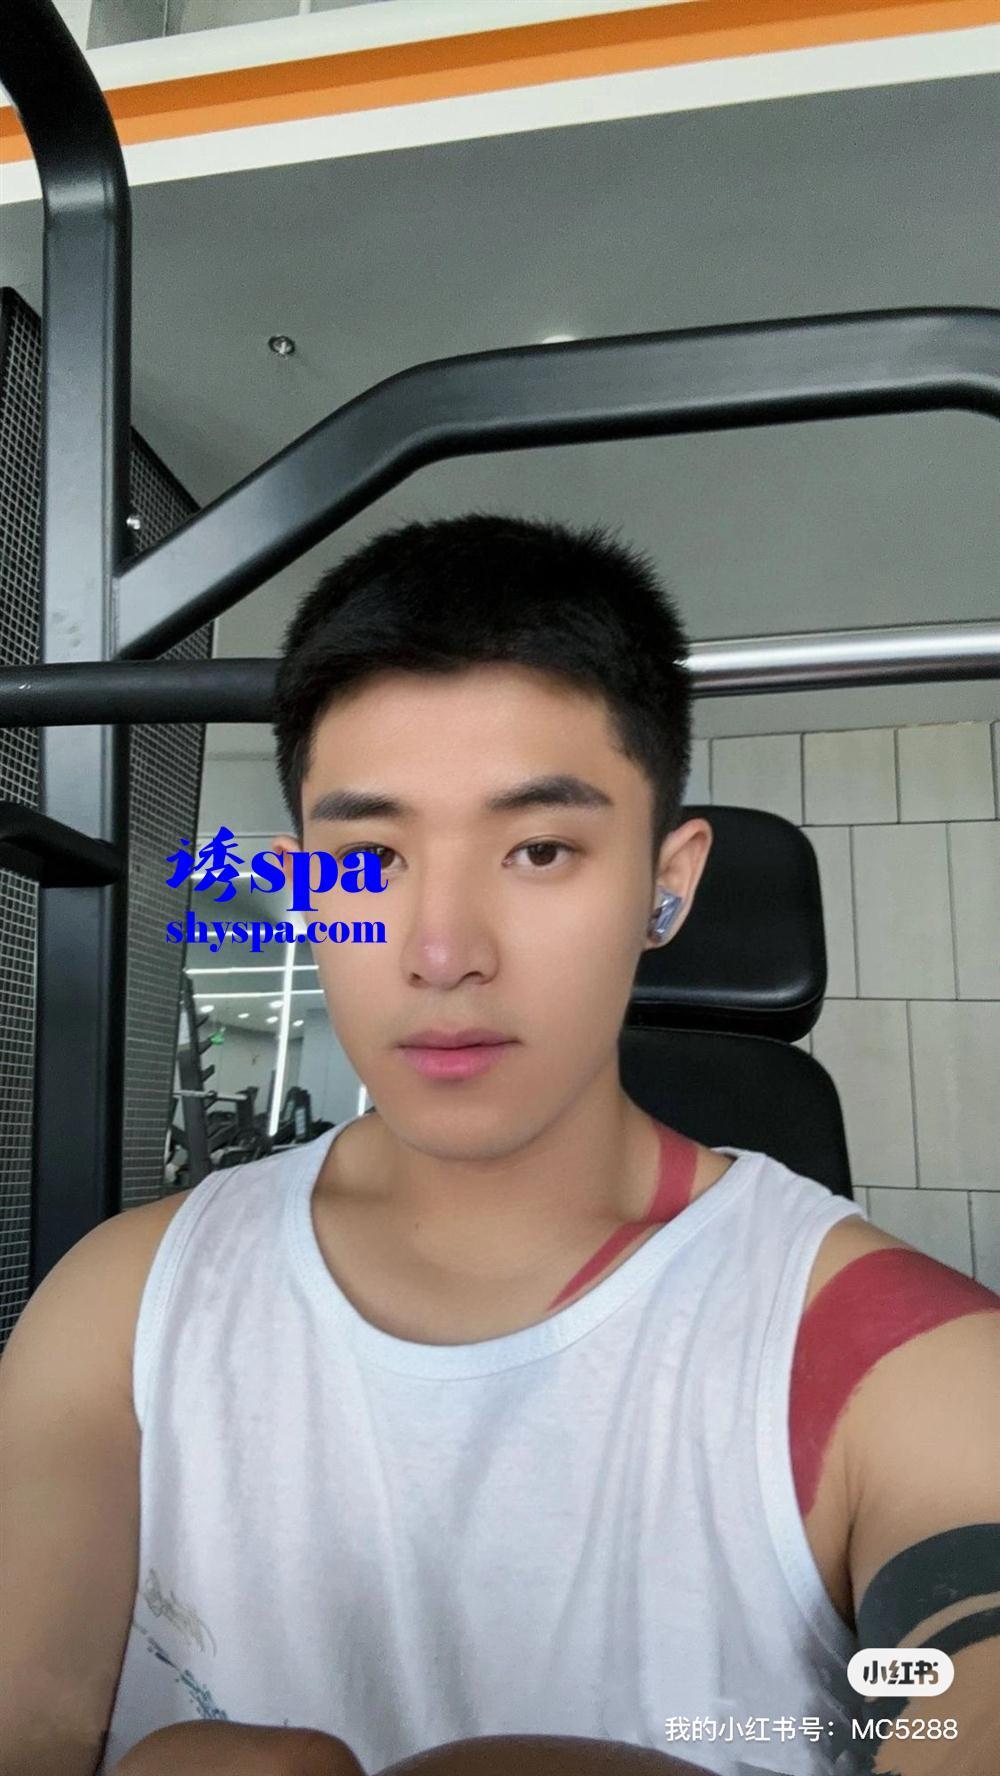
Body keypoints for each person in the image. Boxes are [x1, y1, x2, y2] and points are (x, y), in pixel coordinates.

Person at [6, 517, 998, 1776]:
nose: (442, 951)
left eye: (539, 849)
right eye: (370, 858)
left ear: (666, 883)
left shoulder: (889, 1362)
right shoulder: (126, 1301)